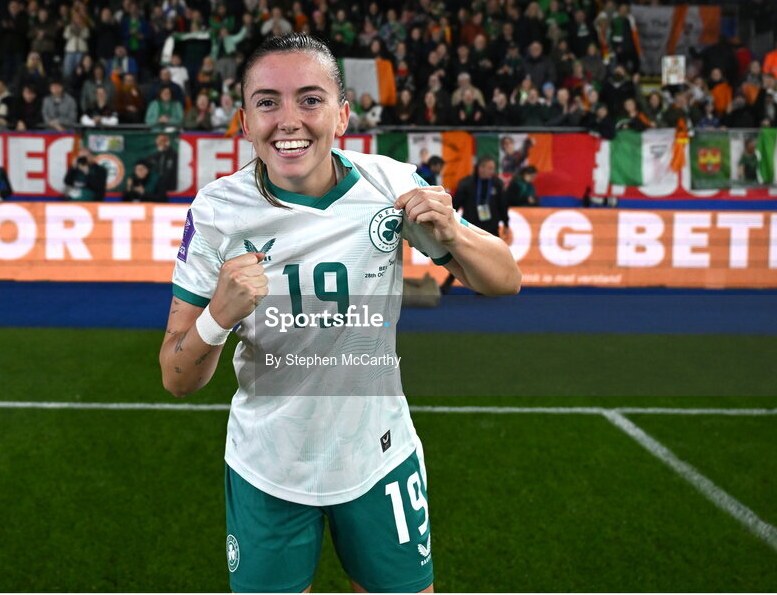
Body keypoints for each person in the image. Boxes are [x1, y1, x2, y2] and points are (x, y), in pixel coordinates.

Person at [159, 34, 520, 593]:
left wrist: (452, 233)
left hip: (379, 458)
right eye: (267, 102)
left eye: (310, 99)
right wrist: (218, 318)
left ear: (342, 115)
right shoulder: (217, 213)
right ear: (243, 120)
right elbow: (176, 377)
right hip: (267, 468)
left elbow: (505, 280)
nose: (288, 120)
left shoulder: (392, 185)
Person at [441, 156, 510, 293]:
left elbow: (502, 205)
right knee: (462, 256)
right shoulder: (467, 183)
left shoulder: (496, 184)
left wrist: (506, 223)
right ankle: (448, 283)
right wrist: (448, 219)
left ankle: (485, 286)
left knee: (490, 258)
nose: (492, 171)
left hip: (491, 227)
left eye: (493, 168)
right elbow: (455, 204)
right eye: (489, 168)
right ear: (481, 168)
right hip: (470, 226)